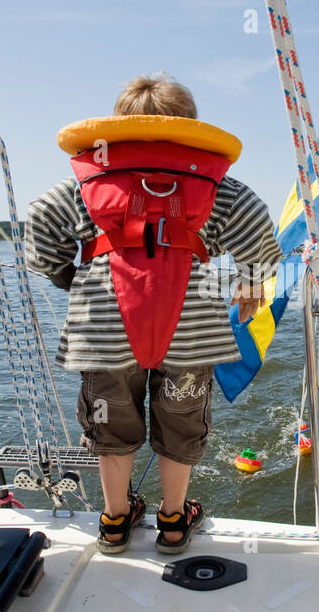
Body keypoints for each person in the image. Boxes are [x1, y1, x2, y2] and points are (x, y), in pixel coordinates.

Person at [26, 74, 281, 554]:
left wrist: (67, 276)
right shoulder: (216, 184)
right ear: (188, 127)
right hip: (193, 328)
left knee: (110, 424)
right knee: (182, 422)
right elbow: (259, 237)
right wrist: (249, 283)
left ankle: (116, 521)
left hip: (101, 328)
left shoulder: (88, 179)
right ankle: (172, 521)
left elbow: (39, 225)